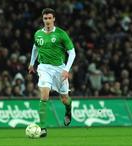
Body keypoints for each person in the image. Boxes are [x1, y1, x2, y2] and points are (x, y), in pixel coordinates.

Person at [28, 8, 76, 137]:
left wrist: (66, 69)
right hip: (44, 68)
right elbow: (35, 47)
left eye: (50, 18)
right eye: (45, 18)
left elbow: (72, 52)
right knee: (44, 96)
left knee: (64, 99)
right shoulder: (38, 34)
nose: (48, 21)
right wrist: (32, 63)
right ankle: (43, 128)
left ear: (54, 19)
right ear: (43, 19)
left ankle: (68, 110)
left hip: (60, 69)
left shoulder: (61, 34)